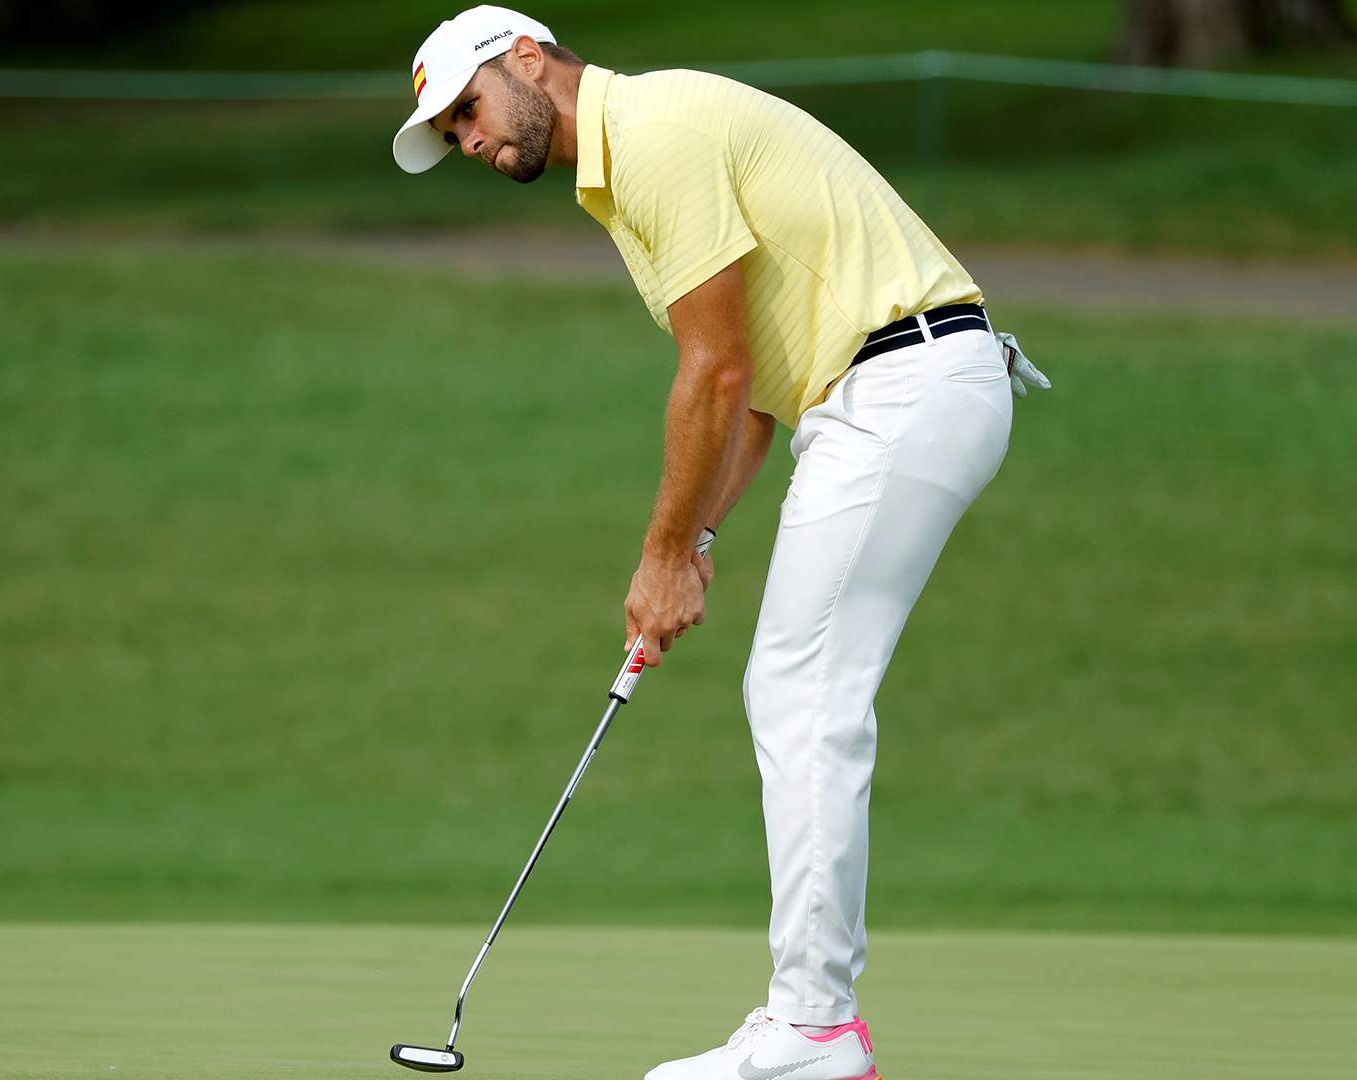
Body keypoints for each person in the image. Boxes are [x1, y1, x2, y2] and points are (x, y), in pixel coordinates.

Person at [392, 7, 1050, 1080]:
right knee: (797, 687)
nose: (468, 139)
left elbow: (716, 370)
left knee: (802, 688)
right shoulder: (619, 177)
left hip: (904, 379)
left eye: (468, 109)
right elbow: (751, 395)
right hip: (881, 390)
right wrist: (694, 534)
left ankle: (815, 1028)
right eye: (452, 133)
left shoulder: (656, 133)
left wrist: (660, 561)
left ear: (528, 59)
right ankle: (812, 1021)